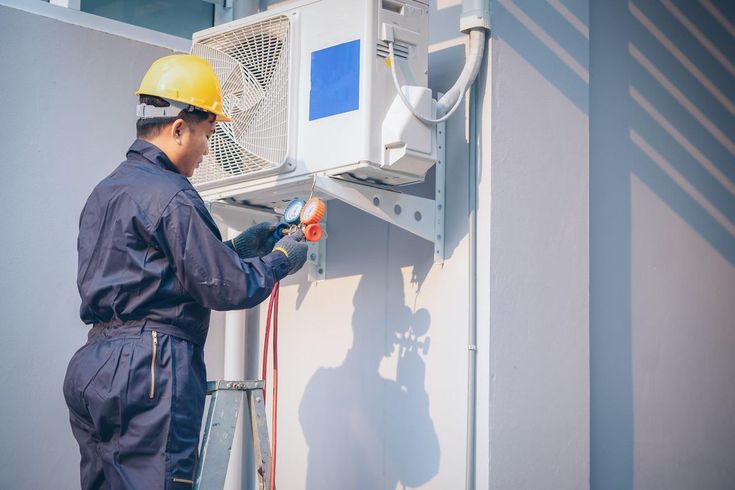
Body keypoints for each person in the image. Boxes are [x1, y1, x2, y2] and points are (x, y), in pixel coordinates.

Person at [62, 54, 307, 490]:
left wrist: (238, 247)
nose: (208, 149)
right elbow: (226, 286)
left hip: (95, 365)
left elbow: (153, 273)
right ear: (179, 127)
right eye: (207, 134)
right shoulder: (172, 194)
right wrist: (281, 259)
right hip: (150, 366)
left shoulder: (106, 192)